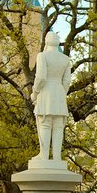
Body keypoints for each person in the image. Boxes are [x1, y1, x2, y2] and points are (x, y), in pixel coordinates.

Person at [31, 31, 71, 161]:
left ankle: (44, 155)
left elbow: (41, 77)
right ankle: (57, 157)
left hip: (46, 92)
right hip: (59, 92)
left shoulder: (42, 56)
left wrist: (35, 93)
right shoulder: (66, 59)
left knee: (45, 123)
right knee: (58, 126)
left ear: (47, 42)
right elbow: (67, 81)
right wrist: (61, 93)